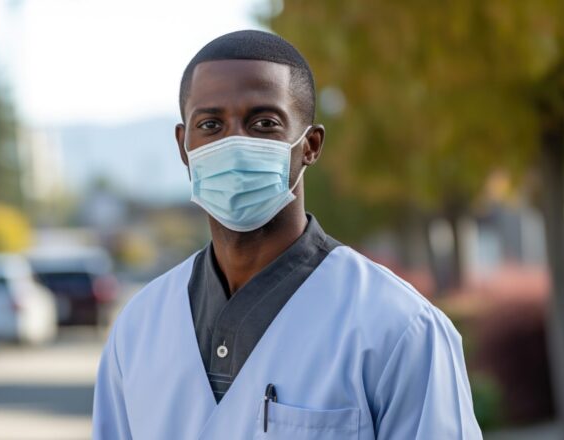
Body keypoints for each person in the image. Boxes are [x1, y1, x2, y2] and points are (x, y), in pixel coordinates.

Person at [92, 30, 482, 439]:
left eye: (264, 123)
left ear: (310, 145)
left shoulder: (399, 328)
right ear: (183, 144)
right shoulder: (138, 329)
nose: (235, 143)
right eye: (211, 124)